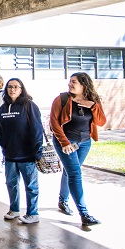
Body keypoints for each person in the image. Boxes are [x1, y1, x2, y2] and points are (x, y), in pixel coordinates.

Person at [49, 72, 107, 226]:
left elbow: (101, 121)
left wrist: (93, 107)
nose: (70, 84)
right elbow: (54, 123)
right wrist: (64, 142)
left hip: (85, 142)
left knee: (70, 172)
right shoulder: (61, 99)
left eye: (74, 82)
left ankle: (62, 200)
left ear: (83, 84)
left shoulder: (93, 101)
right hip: (66, 142)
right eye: (69, 81)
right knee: (75, 173)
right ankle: (84, 214)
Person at [0, 78, 44, 224]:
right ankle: (14, 209)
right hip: (10, 154)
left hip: (27, 155)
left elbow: (37, 129)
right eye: (10, 87)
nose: (12, 89)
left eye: (16, 87)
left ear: (21, 89)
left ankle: (33, 213)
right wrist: (4, 143)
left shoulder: (29, 106)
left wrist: (37, 151)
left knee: (31, 186)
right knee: (11, 183)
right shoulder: (4, 108)